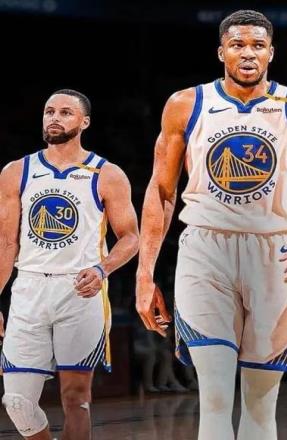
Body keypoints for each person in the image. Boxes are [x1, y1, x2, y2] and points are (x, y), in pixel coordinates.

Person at [136, 9, 287, 440]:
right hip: (205, 250)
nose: (248, 53)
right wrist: (144, 272)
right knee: (213, 397)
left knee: (260, 405)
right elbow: (161, 192)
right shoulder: (185, 104)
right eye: (238, 45)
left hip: (279, 253)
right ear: (221, 52)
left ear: (271, 53)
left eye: (257, 45)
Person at [0, 89, 139, 440]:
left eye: (65, 112)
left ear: (84, 122)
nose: (54, 118)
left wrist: (103, 269)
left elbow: (130, 237)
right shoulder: (17, 171)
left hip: (80, 290)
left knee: (76, 399)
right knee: (17, 402)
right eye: (49, 111)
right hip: (29, 288)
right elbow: (6, 243)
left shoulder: (107, 173)